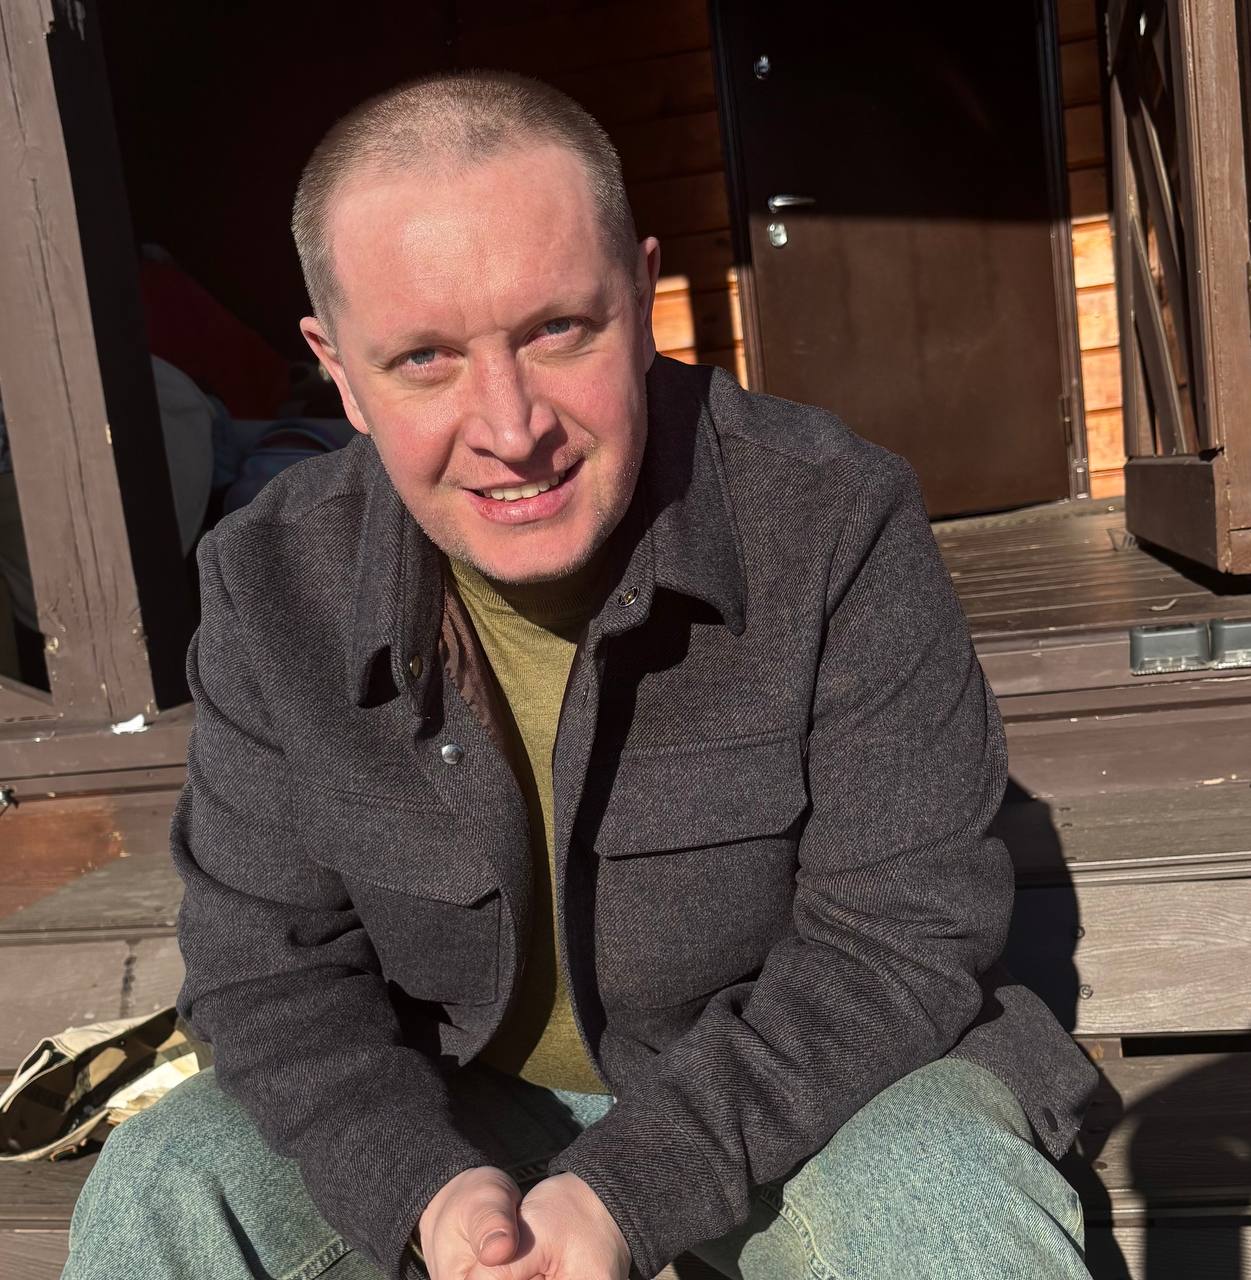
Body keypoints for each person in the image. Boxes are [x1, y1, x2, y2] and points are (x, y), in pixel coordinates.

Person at [63, 71, 1097, 1280]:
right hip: (448, 1109)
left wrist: (627, 1191)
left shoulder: (832, 518)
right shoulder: (268, 582)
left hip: (806, 1099)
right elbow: (267, 971)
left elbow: (904, 930)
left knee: (945, 1195)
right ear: (337, 370)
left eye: (559, 330)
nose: (512, 429)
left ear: (641, 298)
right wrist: (424, 1189)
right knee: (166, 1179)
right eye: (424, 359)